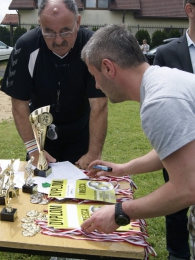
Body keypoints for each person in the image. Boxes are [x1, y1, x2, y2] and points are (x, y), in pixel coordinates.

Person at [80, 24, 195, 259]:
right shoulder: (163, 81)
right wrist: (124, 168)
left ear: (108, 68)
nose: (96, 85)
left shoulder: (159, 101)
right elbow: (179, 147)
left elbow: (187, 188)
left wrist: (120, 211)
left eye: (94, 76)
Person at [0, 0, 108, 170]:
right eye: (49, 32)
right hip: (40, 137)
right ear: (40, 24)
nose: (58, 41)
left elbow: (99, 105)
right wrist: (34, 150)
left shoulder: (92, 46)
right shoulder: (26, 47)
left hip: (80, 134)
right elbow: (19, 104)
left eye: (65, 31)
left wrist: (94, 153)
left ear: (78, 22)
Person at [152, 1, 195, 259]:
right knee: (176, 207)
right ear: (190, 9)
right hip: (177, 146)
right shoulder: (166, 54)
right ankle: (177, 255)